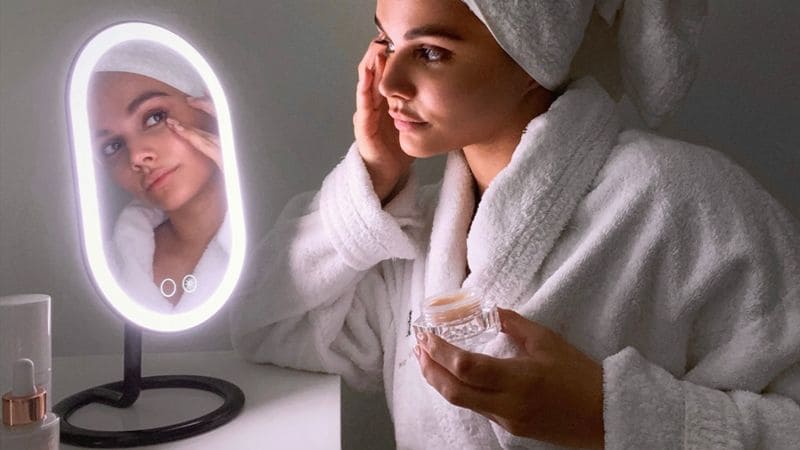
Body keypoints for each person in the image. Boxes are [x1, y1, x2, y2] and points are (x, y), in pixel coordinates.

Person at [230, 0, 800, 448]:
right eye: (385, 40)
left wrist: (608, 418)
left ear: (533, 59)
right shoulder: (414, 233)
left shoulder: (684, 200)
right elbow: (267, 327)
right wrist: (373, 179)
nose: (388, 83)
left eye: (429, 52)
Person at [89, 41, 230, 314]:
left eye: (154, 117)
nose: (136, 156)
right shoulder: (108, 273)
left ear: (209, 108)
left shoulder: (290, 237)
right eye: (112, 146)